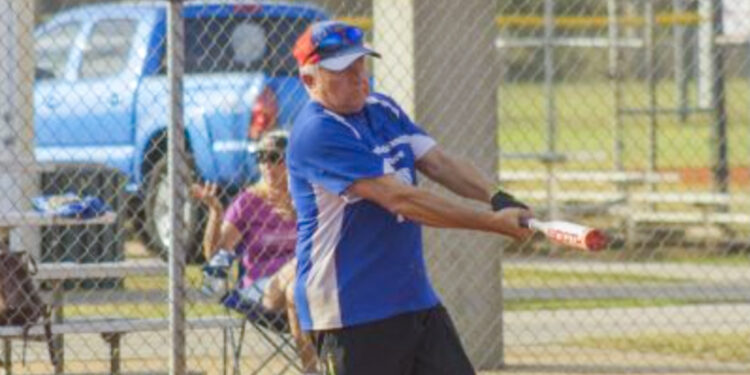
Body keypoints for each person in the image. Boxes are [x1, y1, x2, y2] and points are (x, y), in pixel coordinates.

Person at [287, 21, 534, 375]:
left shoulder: (382, 108)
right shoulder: (318, 132)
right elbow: (402, 200)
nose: (359, 76)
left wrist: (497, 198)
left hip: (413, 299)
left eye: (360, 63)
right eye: (343, 70)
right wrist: (492, 224)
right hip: (350, 310)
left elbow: (438, 162)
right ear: (309, 80)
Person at [193, 130, 318, 374]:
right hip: (262, 291)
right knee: (297, 275)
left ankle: (312, 371)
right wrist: (216, 213)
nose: (267, 165)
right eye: (260, 158)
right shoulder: (248, 202)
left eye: (275, 157)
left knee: (296, 289)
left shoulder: (308, 198)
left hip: (306, 287)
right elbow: (214, 258)